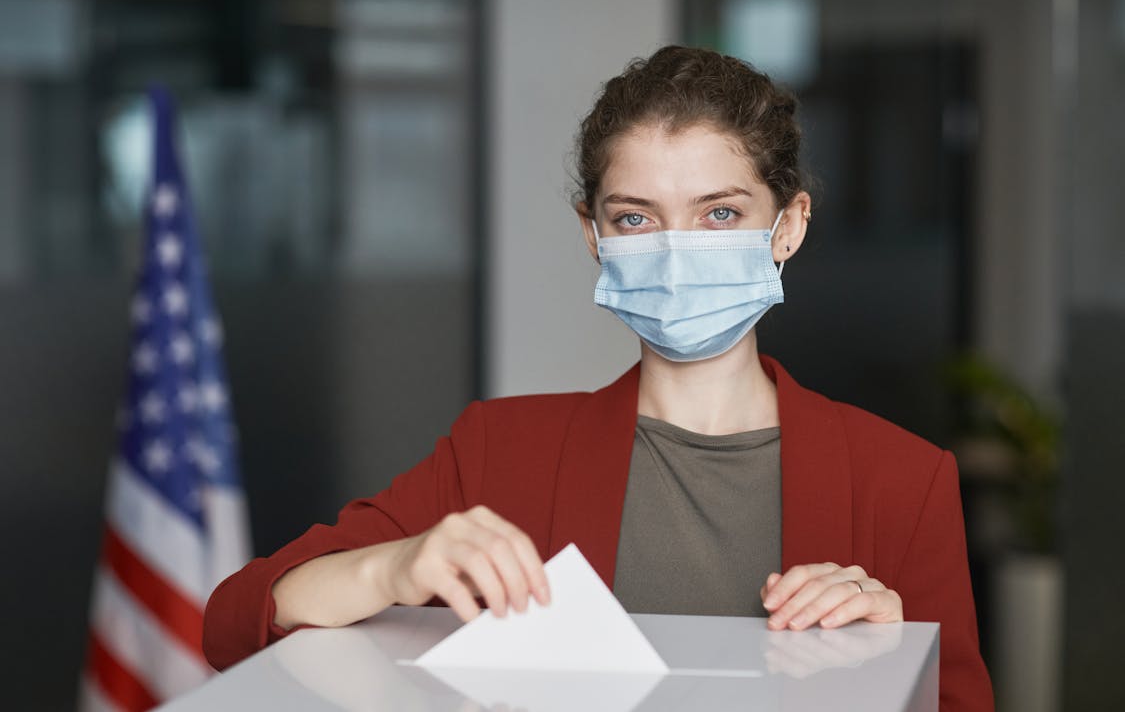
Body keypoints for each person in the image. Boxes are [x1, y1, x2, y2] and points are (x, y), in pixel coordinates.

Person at [203, 46, 993, 711]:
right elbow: (235, 619)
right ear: (593, 235)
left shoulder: (902, 479)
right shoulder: (499, 449)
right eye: (635, 217)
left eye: (719, 213)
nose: (675, 252)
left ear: (787, 226)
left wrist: (900, 666)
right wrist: (393, 566)